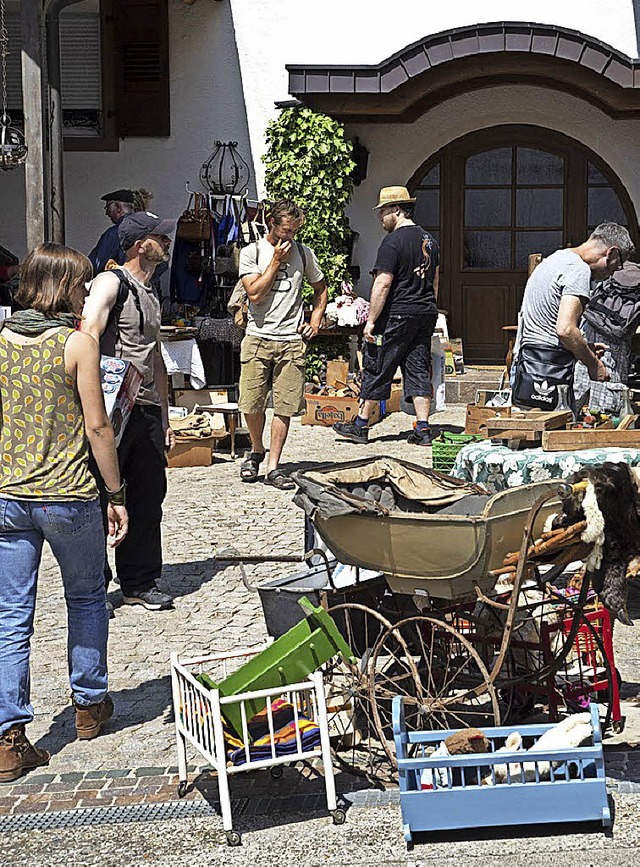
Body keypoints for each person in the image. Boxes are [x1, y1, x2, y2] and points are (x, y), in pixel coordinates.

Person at [0, 243, 128, 783]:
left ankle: (8, 738)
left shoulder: (0, 340)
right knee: (86, 597)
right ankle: (89, 705)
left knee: (10, 615)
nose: (83, 295)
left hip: (9, 495)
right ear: (59, 288)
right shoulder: (78, 344)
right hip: (68, 494)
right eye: (79, 286)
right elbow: (99, 428)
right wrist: (117, 492)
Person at [82, 211, 176, 612]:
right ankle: (93, 584)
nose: (168, 242)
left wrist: (166, 415)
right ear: (141, 243)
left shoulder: (151, 291)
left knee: (149, 493)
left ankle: (139, 580)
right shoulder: (110, 281)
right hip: (110, 407)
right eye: (161, 236)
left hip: (146, 407)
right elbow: (87, 334)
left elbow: (154, 356)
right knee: (100, 493)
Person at [333, 186, 440, 446]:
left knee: (378, 364)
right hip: (424, 312)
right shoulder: (430, 240)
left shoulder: (393, 242)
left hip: (397, 313)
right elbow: (436, 279)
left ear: (396, 209)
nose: (380, 217)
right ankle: (423, 428)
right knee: (417, 366)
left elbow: (382, 284)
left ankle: (360, 425)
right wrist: (429, 304)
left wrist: (370, 320)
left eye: (382, 211)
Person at [238, 199, 327, 489]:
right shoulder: (252, 253)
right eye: (285, 230)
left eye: (294, 231)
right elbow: (255, 294)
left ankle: (273, 466)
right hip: (257, 336)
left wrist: (315, 320)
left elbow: (320, 288)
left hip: (290, 340)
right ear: (270, 223)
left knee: (285, 406)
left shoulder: (304, 253)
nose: (290, 236)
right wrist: (275, 262)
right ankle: (255, 450)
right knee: (251, 403)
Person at [511, 223, 634, 412]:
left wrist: (585, 348)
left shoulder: (555, 259)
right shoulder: (578, 270)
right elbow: (566, 330)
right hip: (549, 371)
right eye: (615, 267)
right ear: (611, 253)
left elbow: (549, 324)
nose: (611, 275)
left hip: (528, 365)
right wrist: (594, 365)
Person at [573, 260, 640, 414]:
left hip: (588, 330)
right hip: (616, 342)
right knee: (608, 409)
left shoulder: (609, 271)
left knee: (577, 395)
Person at [88, 188, 153, 275]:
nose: (106, 213)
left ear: (118, 207)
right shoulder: (151, 230)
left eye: (108, 207)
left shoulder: (115, 233)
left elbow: (95, 265)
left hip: (120, 285)